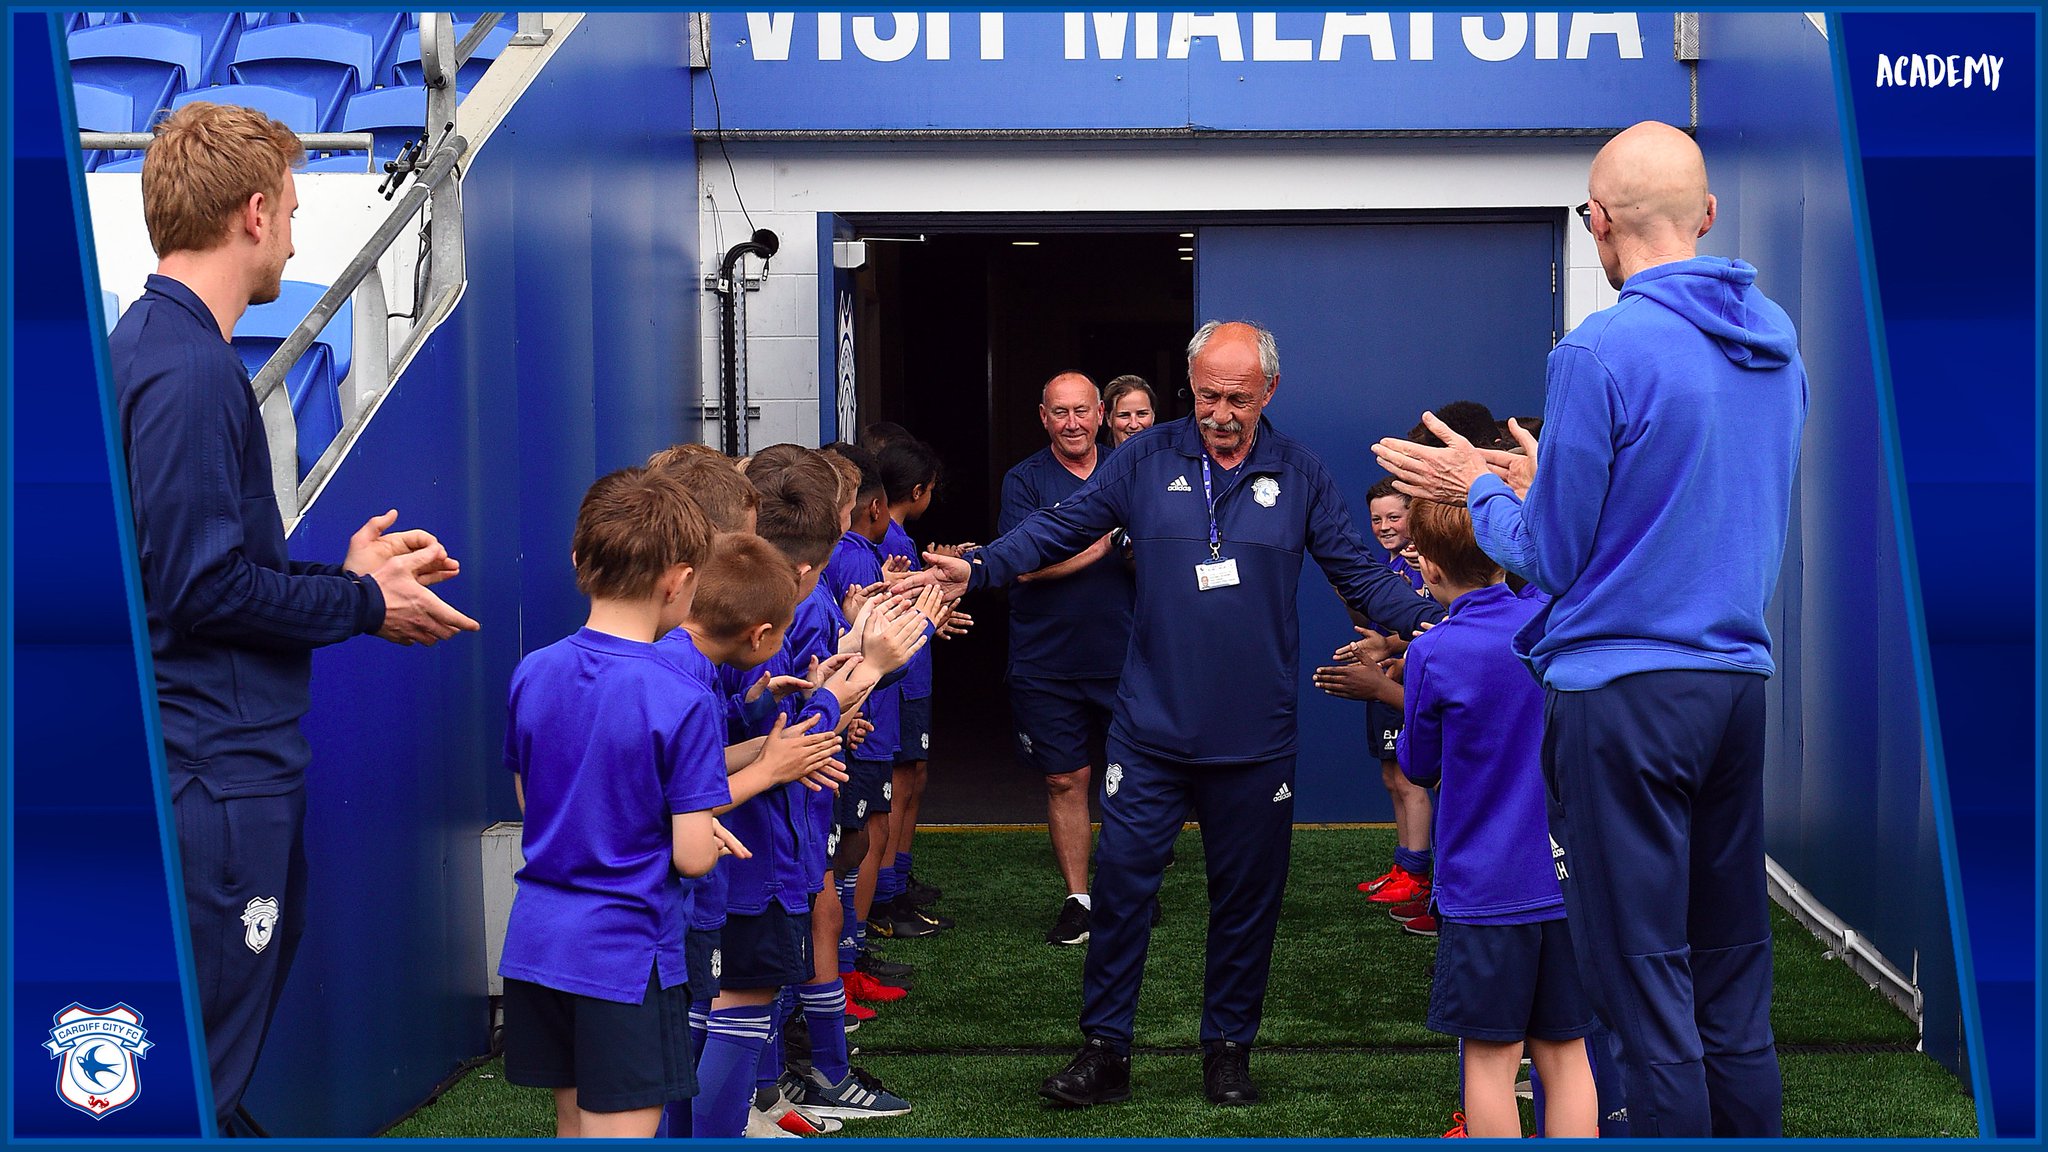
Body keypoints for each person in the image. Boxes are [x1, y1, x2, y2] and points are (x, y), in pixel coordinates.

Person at [1372, 120, 1807, 1137]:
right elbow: (1686, 499)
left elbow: (1553, 558)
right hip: (1732, 691)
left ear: (1598, 223)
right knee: (1731, 987)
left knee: (1643, 992)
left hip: (1622, 706)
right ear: (1703, 217)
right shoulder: (1774, 343)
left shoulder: (1599, 348)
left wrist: (1479, 489)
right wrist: (1539, 478)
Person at [904, 322, 1443, 1106]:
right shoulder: (1144, 458)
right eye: (1207, 395)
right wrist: (983, 565)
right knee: (1120, 894)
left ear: (1271, 393)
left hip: (1255, 741)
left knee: (1246, 904)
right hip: (1150, 732)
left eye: (1238, 398)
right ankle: (1106, 1051)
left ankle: (1227, 1050)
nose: (1221, 412)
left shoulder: (1300, 474)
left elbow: (1361, 576)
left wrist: (1450, 623)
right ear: (1190, 387)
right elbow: (1062, 525)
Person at [109, 101, 479, 1134]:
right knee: (193, 1081)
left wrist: (344, 575)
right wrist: (365, 602)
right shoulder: (183, 372)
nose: (297, 236)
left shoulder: (161, 350)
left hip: (213, 768)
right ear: (255, 212)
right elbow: (198, 590)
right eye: (296, 209)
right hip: (213, 778)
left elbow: (200, 572)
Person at [498, 467, 740, 1139]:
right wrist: (700, 834)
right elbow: (692, 857)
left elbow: (535, 802)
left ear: (580, 559)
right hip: (626, 954)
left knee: (572, 1130)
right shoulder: (680, 697)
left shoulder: (533, 670)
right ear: (680, 579)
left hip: (539, 943)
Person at [1395, 499, 1597, 1139]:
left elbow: (1418, 763)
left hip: (1485, 890)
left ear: (1427, 565)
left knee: (1488, 1060)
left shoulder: (1439, 650)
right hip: (1566, 883)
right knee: (1565, 1055)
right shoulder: (1553, 622)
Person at [999, 372, 1133, 946]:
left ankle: (1127, 893)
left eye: (1082, 411)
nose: (1073, 423)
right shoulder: (1024, 480)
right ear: (1043, 416)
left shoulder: (1130, 469)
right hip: (1046, 662)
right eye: (1061, 413)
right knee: (1064, 779)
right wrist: (1098, 547)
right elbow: (1021, 564)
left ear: (1101, 413)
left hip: (1127, 655)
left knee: (1133, 781)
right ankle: (1078, 900)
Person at [1354, 477, 1434, 907]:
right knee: (1391, 776)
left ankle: (1418, 874)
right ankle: (1404, 867)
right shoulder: (1387, 567)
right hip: (1384, 680)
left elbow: (1437, 628)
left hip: (1410, 682)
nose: (1384, 526)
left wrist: (1398, 651)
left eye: (1394, 517)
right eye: (1376, 519)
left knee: (1409, 777)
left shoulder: (1428, 562)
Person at [1102, 374, 1158, 447]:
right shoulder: (1100, 458)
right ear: (1108, 418)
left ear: (1153, 415)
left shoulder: (1169, 457)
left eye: (1142, 414)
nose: (1134, 425)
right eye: (1124, 415)